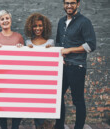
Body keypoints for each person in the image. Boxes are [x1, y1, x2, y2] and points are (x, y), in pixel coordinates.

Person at [54, 0, 96, 129]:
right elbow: (58, 43)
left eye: (72, 3)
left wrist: (70, 49)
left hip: (77, 67)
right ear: (63, 4)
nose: (69, 6)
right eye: (66, 3)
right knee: (58, 97)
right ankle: (59, 126)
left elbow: (91, 45)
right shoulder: (61, 21)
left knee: (78, 100)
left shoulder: (84, 22)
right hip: (63, 66)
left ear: (78, 4)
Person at [0, 10, 24, 129]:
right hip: (1, 78)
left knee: (17, 103)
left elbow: (24, 59)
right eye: (2, 19)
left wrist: (21, 48)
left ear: (10, 20)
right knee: (2, 104)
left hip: (15, 77)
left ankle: (15, 126)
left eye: (7, 18)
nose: (5, 21)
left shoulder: (18, 37)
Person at [24, 13, 54, 129]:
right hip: (32, 80)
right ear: (31, 27)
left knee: (43, 105)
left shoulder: (50, 43)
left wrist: (51, 51)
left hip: (45, 80)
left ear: (45, 27)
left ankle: (42, 124)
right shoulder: (28, 43)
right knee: (34, 105)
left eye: (40, 26)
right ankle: (39, 125)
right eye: (35, 26)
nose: (37, 28)